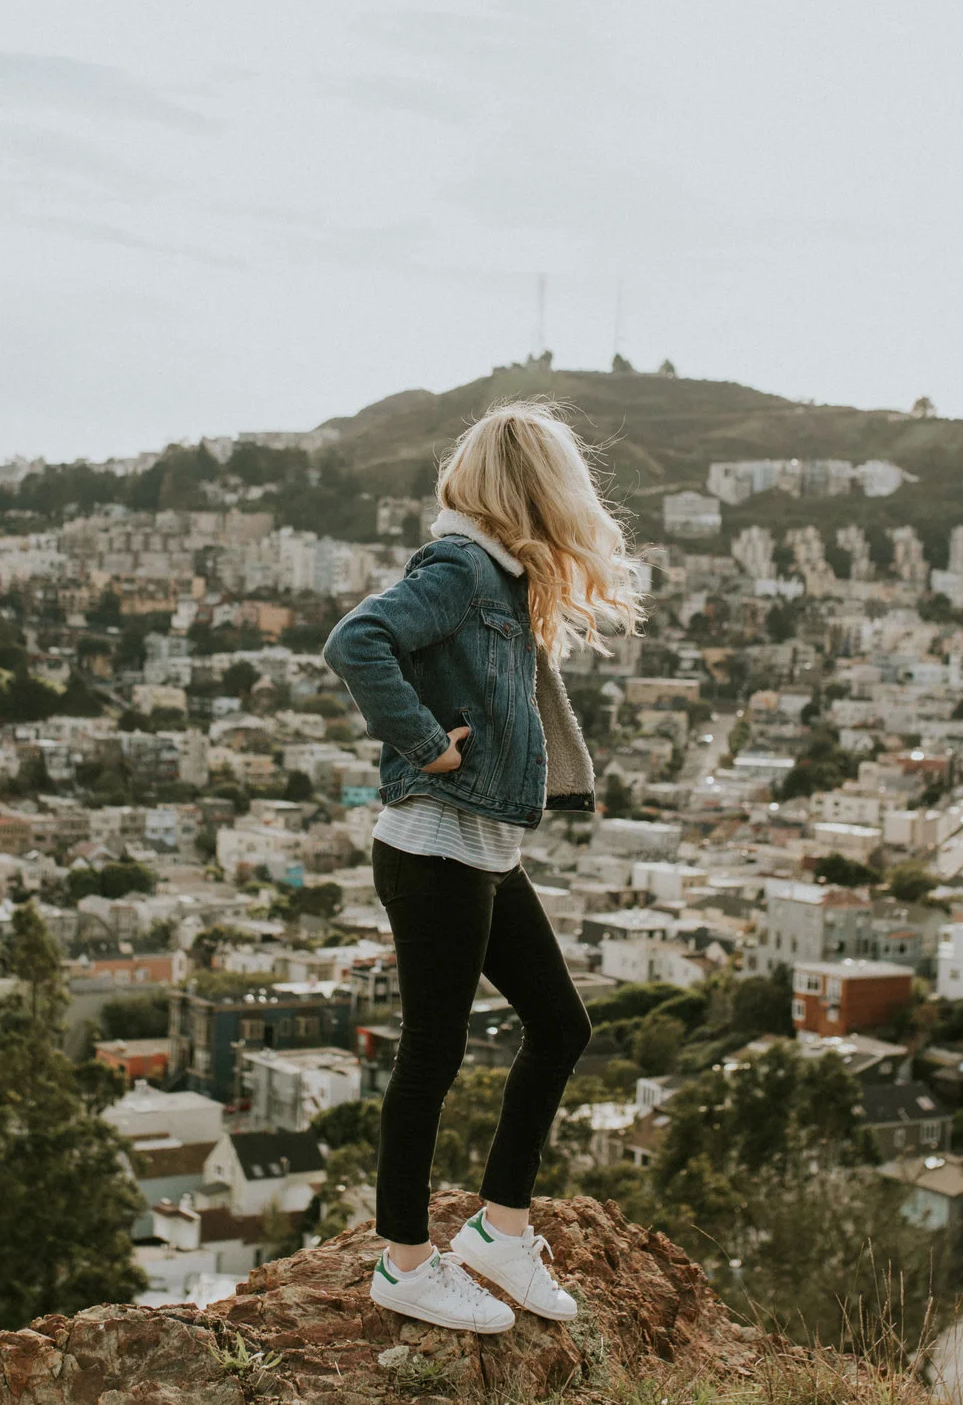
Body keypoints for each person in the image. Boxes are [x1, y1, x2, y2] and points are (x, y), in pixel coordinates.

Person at [322, 400, 644, 1332]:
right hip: (433, 848)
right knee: (433, 1052)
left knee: (560, 1025)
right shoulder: (461, 567)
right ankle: (405, 1262)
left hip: (482, 850)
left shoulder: (503, 578)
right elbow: (357, 640)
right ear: (532, 491)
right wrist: (427, 745)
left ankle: (500, 1233)